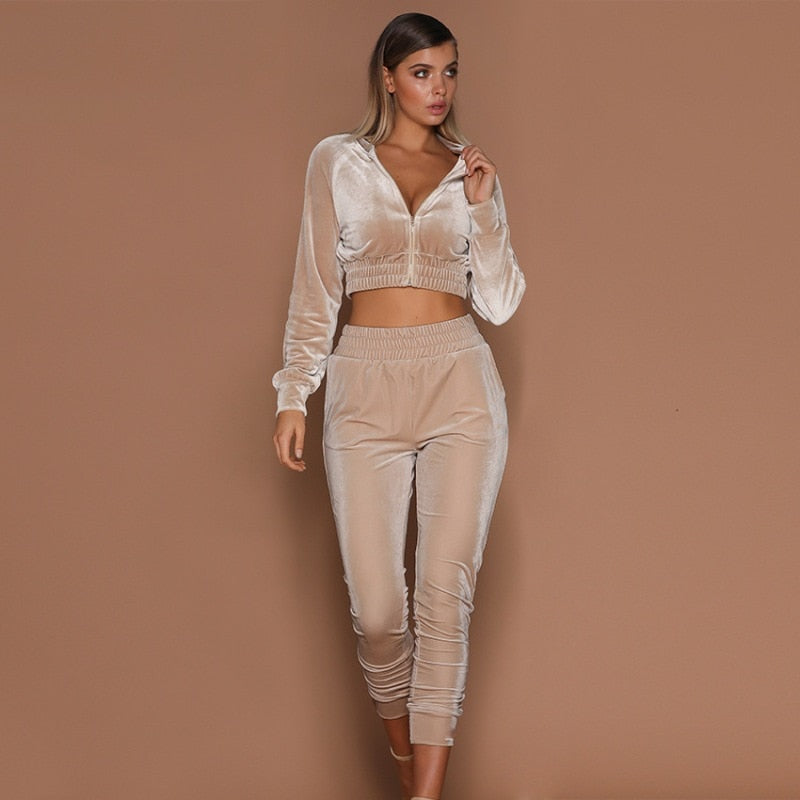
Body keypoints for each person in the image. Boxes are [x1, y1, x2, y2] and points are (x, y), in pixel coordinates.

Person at [272, 12, 525, 800]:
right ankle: (406, 764)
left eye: (449, 72)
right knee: (379, 612)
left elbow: (502, 302)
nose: (438, 88)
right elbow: (316, 284)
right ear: (387, 79)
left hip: (460, 383)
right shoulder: (337, 162)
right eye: (421, 72)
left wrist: (484, 208)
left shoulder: (471, 170)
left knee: (445, 600)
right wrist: (294, 392)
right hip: (362, 388)